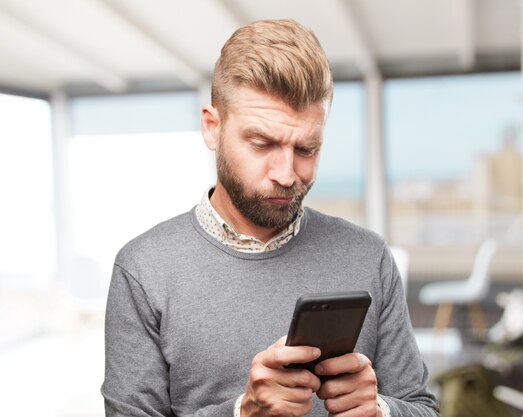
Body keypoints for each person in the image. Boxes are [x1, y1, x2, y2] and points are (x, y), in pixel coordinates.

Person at [102, 19, 439, 417]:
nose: (286, 173)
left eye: (307, 149)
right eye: (262, 143)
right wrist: (242, 413)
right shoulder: (144, 269)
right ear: (212, 127)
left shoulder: (368, 256)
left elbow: (424, 409)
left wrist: (381, 409)